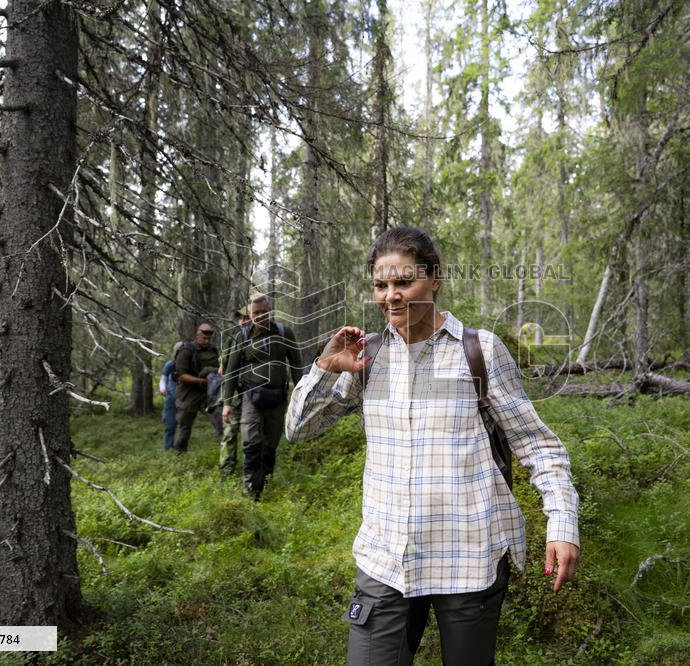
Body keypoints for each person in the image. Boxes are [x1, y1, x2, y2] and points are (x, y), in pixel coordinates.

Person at [285, 226, 580, 665]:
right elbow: (298, 430)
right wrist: (326, 368)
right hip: (385, 557)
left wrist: (562, 521)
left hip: (469, 556)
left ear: (435, 277)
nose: (391, 297)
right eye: (381, 286)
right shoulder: (368, 355)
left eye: (405, 282)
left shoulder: (479, 351)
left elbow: (537, 445)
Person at [221, 294, 303, 500]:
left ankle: (265, 481)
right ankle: (250, 491)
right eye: (255, 313)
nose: (260, 316)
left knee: (270, 445)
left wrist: (301, 394)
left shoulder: (285, 333)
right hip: (251, 398)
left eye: (263, 312)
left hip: (277, 398)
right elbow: (231, 370)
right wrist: (227, 402)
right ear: (249, 314)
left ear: (269, 310)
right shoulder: (242, 336)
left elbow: (296, 366)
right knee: (251, 443)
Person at [173, 322, 223, 453]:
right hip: (188, 394)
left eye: (209, 338)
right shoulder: (186, 351)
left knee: (219, 419)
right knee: (185, 428)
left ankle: (225, 451)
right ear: (197, 335)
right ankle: (179, 454)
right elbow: (181, 375)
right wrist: (201, 381)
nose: (206, 341)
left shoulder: (213, 350)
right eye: (204, 338)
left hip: (208, 393)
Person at [218, 307, 250, 480]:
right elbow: (222, 369)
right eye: (240, 318)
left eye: (246, 317)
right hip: (235, 396)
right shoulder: (232, 339)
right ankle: (226, 472)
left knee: (250, 436)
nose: (243, 321)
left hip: (253, 395)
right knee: (229, 433)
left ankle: (249, 472)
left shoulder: (261, 339)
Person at [158, 341, 183, 451]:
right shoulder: (170, 364)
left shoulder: (189, 365)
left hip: (184, 399)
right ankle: (168, 449)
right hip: (171, 399)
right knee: (170, 424)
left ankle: (180, 449)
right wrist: (162, 389)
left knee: (184, 425)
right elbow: (163, 379)